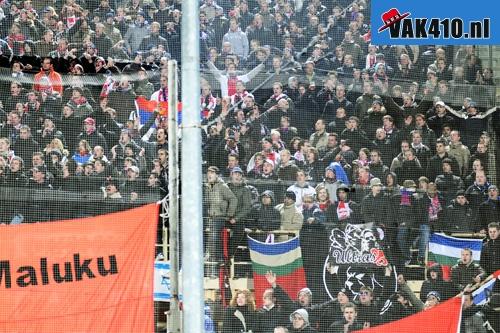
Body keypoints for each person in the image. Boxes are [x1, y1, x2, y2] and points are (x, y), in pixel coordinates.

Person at [203, 166, 237, 267]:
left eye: (212, 173)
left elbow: (233, 199)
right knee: (209, 236)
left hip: (220, 217)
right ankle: (213, 258)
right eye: (208, 172)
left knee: (215, 237)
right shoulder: (207, 187)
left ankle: (221, 258)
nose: (209, 175)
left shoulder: (222, 186)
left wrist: (229, 214)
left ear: (217, 175)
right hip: (210, 217)